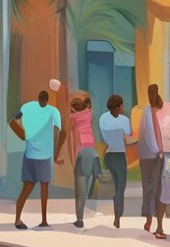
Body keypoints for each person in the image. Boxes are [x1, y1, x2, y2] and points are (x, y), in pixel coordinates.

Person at [10, 90, 63, 229]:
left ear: (39, 98)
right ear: (47, 100)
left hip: (30, 154)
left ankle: (17, 220)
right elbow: (57, 132)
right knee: (44, 187)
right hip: (45, 155)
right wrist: (56, 155)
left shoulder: (27, 107)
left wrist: (22, 135)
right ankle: (44, 221)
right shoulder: (54, 112)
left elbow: (12, 121)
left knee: (26, 188)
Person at [134, 84, 170, 239]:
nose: (150, 96)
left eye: (151, 93)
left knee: (161, 189)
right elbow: (145, 134)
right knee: (150, 187)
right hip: (149, 155)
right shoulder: (147, 111)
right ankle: (150, 220)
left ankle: (158, 225)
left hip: (164, 154)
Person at [97, 95, 134, 228]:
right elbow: (128, 136)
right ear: (119, 107)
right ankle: (118, 216)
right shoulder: (124, 120)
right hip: (119, 155)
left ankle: (116, 215)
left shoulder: (102, 118)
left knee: (114, 187)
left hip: (108, 155)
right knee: (120, 187)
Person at [66, 93, 102, 229]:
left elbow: (72, 142)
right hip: (93, 154)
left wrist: (72, 160)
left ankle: (79, 218)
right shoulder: (89, 115)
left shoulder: (73, 119)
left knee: (80, 189)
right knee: (88, 185)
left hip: (81, 154)